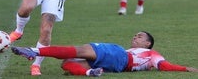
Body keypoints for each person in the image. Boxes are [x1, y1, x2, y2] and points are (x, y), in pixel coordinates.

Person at [11, 31, 198, 77]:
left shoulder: (150, 53)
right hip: (117, 65)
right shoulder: (137, 52)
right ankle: (90, 72)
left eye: (140, 36)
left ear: (147, 43)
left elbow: (164, 65)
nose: (135, 36)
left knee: (81, 49)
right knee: (66, 63)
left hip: (120, 57)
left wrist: (185, 68)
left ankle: (34, 51)